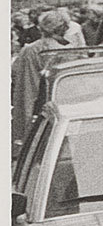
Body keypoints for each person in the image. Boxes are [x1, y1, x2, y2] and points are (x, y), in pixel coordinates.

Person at [12, 8, 71, 144]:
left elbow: (25, 85)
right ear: (63, 28)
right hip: (63, 104)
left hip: (39, 105)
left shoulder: (31, 49)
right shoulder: (69, 50)